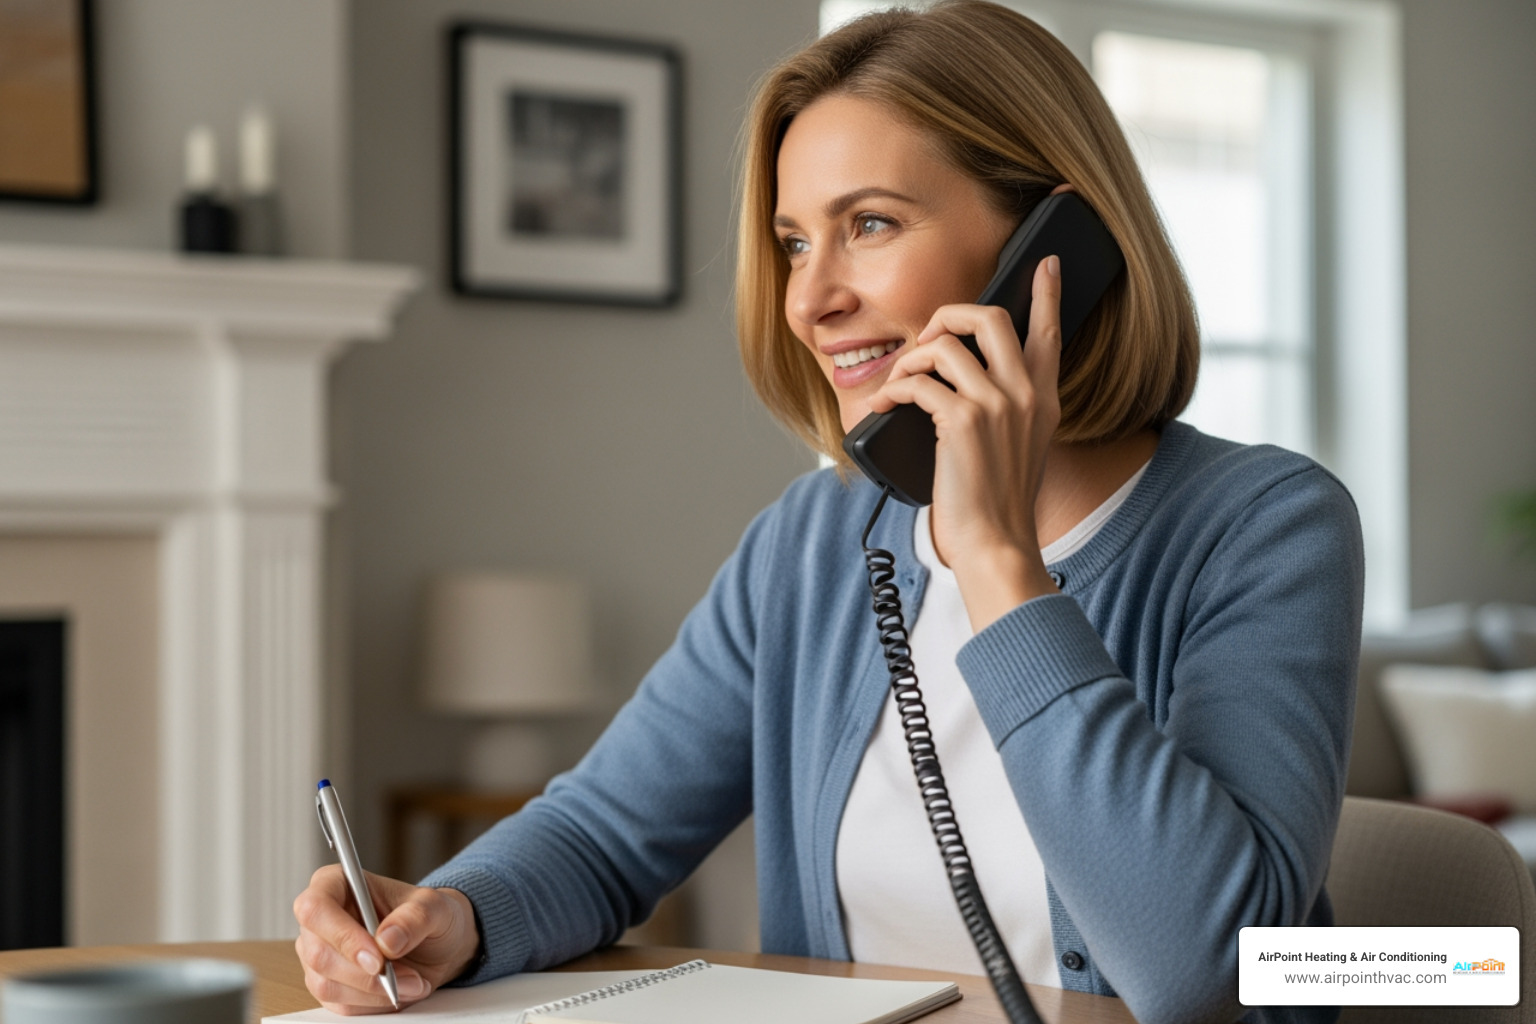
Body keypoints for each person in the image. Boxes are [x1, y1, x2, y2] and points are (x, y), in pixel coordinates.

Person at [292, 4, 1364, 1022]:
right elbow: (606, 831)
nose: (810, 299)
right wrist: (458, 915)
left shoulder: (1265, 527)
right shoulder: (811, 544)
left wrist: (997, 560)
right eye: (798, 241)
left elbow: (1214, 972)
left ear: (1051, 248)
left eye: (871, 224)